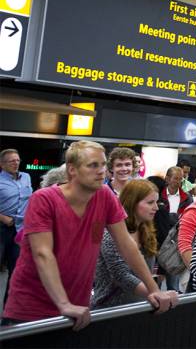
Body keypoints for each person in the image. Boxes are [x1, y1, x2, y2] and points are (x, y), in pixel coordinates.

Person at [2, 141, 175, 329]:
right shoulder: (44, 199)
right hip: (32, 307)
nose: (101, 171)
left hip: (78, 308)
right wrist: (63, 304)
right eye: (93, 165)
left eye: (102, 165)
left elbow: (126, 244)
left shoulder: (105, 196)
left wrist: (154, 289)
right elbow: (42, 253)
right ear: (72, 170)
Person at [92, 179, 176, 308]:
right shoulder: (110, 233)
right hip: (110, 310)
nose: (156, 207)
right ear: (132, 203)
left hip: (140, 307)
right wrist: (157, 293)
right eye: (150, 202)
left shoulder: (146, 230)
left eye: (156, 202)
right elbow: (121, 275)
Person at [0, 148, 31, 304]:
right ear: (2, 164)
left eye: (17, 160)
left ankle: (8, 312)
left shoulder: (26, 177)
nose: (16, 163)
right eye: (11, 161)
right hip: (2, 229)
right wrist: (3, 218)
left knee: (16, 271)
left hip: (20, 230)